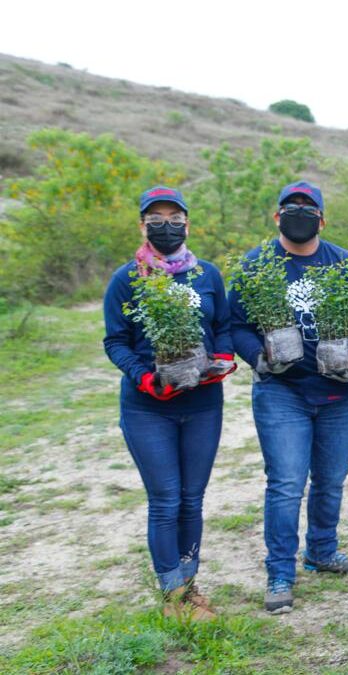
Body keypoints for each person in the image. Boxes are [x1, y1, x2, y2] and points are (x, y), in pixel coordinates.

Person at [229, 181, 348, 614]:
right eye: (290, 207)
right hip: (282, 391)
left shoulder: (345, 264)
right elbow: (234, 324)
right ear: (277, 217)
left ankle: (322, 550)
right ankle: (279, 570)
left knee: (330, 480)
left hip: (337, 393)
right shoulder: (257, 265)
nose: (299, 213)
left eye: (308, 208)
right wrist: (258, 356)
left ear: (322, 219)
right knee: (287, 484)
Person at [103, 186, 236, 619]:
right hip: (148, 408)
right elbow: (116, 341)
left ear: (187, 223)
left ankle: (189, 586)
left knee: (192, 499)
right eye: (155, 219)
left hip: (202, 404)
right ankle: (173, 596)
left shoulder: (208, 275)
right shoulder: (128, 279)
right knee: (165, 498)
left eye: (174, 217)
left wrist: (222, 359)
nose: (166, 225)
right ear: (142, 225)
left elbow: (224, 327)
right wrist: (144, 378)